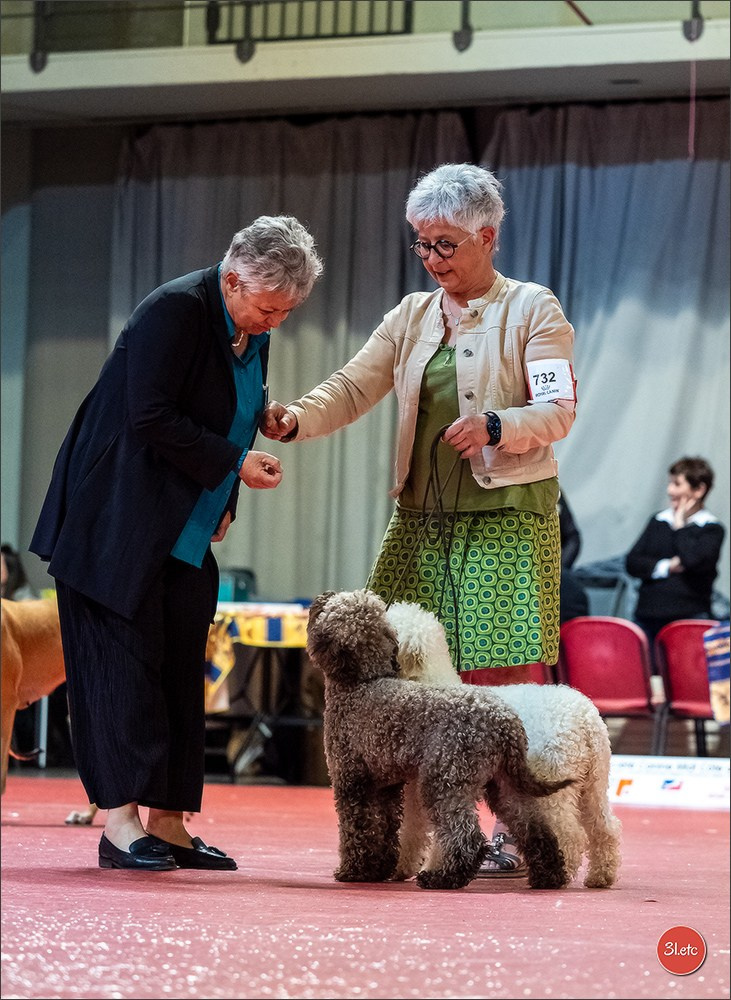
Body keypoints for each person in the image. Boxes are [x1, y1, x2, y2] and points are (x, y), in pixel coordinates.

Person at [260, 163, 576, 875]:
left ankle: (523, 830)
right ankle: (409, 834)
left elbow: (559, 411)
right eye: (421, 245)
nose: (432, 260)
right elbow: (353, 384)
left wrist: (498, 425)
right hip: (421, 514)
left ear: (486, 236)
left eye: (444, 245)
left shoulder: (534, 309)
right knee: (396, 663)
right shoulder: (409, 315)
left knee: (500, 672)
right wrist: (294, 419)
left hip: (506, 512)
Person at [30, 216, 323, 871]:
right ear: (230, 279)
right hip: (117, 522)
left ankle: (168, 821)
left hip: (185, 528)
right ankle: (120, 823)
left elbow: (231, 412)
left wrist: (241, 468)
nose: (275, 321)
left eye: (287, 311)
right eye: (267, 306)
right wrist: (233, 464)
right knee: (121, 672)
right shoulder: (175, 312)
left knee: (176, 675)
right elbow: (151, 416)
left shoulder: (250, 326)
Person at [626, 456, 725, 656]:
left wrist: (680, 528)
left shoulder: (711, 529)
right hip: (648, 618)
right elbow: (633, 562)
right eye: (670, 483)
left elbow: (692, 561)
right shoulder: (658, 521)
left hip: (688, 619)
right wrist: (667, 566)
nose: (670, 490)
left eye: (677, 484)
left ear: (699, 490)